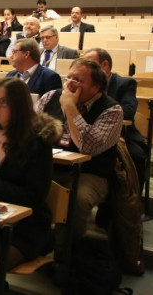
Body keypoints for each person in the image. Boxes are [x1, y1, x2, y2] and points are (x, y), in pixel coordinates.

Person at [0, 78, 61, 269]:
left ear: (19, 106)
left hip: (26, 228)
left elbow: (34, 196)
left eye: (4, 102)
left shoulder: (38, 142)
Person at [35, 59, 123, 238]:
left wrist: (70, 107)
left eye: (78, 80)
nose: (70, 84)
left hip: (90, 173)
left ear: (96, 87)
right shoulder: (50, 96)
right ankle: (36, 239)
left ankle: (67, 249)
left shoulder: (112, 110)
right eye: (68, 78)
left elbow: (87, 148)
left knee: (77, 198)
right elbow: (31, 130)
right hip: (50, 166)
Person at [83, 48, 147, 188]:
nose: (85, 67)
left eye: (90, 64)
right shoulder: (84, 83)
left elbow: (128, 111)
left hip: (123, 134)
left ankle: (133, 197)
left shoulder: (125, 83)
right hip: (91, 131)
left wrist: (104, 113)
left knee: (136, 156)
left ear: (105, 64)